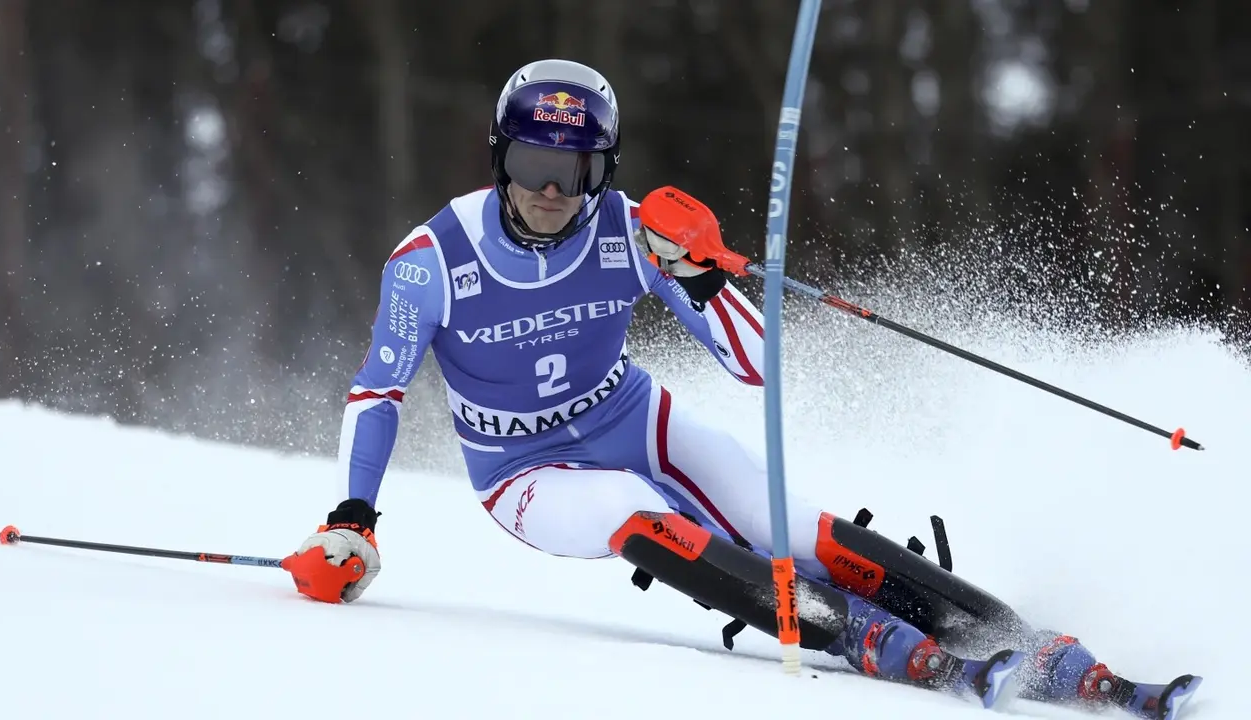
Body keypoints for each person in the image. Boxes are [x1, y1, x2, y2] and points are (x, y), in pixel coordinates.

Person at [280, 59, 1198, 718]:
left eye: (578, 173)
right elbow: (377, 393)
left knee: (801, 529)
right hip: (523, 475)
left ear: (604, 168)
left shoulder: (633, 230)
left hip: (631, 416)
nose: (554, 194)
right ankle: (889, 650)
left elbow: (754, 368)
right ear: (499, 159)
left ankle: (1038, 646)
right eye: (533, 168)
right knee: (640, 515)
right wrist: (353, 519)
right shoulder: (430, 261)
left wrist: (705, 278)